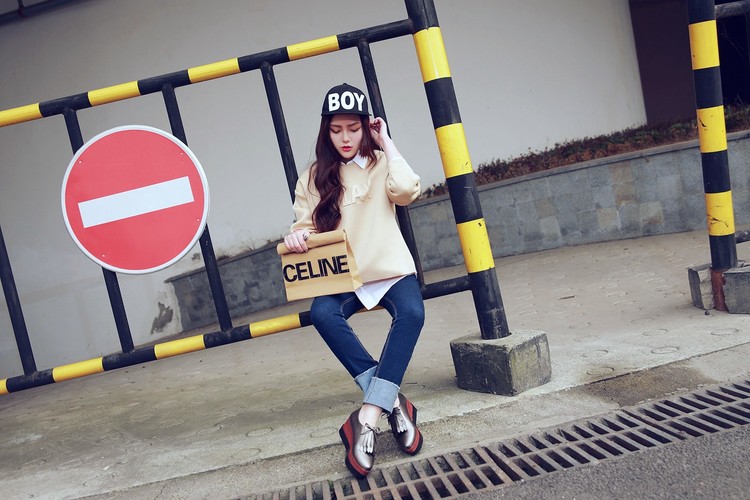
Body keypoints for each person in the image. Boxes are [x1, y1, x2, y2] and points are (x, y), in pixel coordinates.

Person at [283, 83, 425, 478]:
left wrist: (387, 143)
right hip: (344, 276)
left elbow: (406, 190)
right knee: (322, 313)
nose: (345, 138)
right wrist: (297, 238)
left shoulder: (381, 163)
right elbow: (303, 226)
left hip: (390, 269)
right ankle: (393, 404)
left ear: (366, 127)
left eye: (353, 128)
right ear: (325, 132)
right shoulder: (313, 177)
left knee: (412, 313)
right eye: (336, 130)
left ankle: (366, 418)